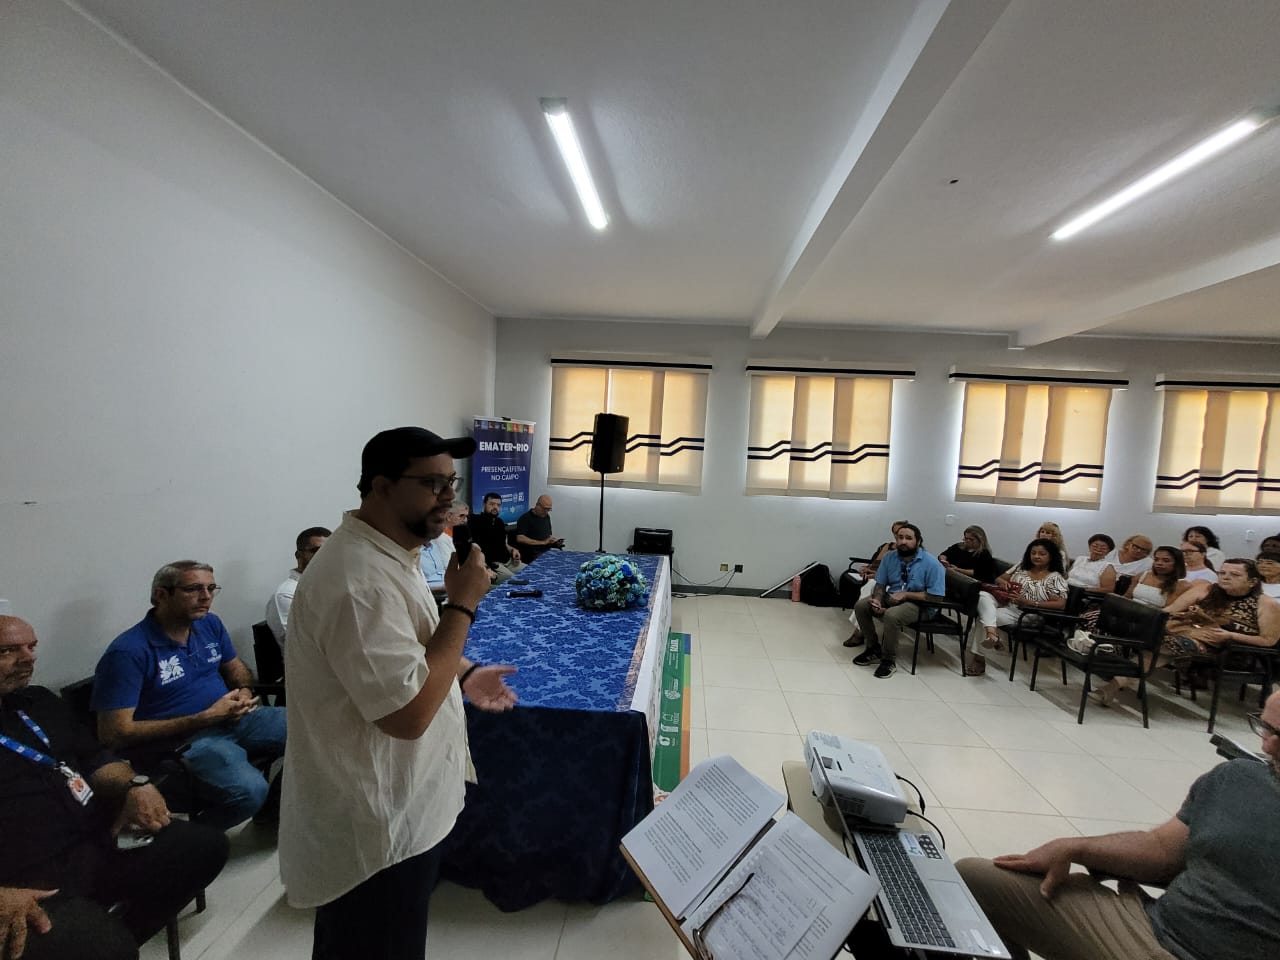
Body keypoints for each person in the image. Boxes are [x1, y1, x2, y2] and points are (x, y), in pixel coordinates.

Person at [279, 426, 518, 960]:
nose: (448, 497)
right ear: (381, 486)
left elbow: (408, 655)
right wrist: (463, 605)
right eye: (432, 484)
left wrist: (463, 672)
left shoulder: (390, 553)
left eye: (451, 483)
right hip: (376, 820)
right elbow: (407, 715)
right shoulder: (357, 580)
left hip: (404, 803)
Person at [955, 687, 1280, 960]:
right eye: (1265, 728)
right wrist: (1074, 848)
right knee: (972, 881)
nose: (1267, 746)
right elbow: (1162, 848)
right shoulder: (1235, 778)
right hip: (1148, 928)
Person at [1, 616, 229, 960]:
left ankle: (123, 934)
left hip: (95, 840)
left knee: (204, 847)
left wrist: (134, 785)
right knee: (104, 948)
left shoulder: (38, 701)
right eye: (8, 651)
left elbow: (95, 758)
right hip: (26, 882)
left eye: (31, 647)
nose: (28, 658)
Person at [91, 562, 287, 830]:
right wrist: (203, 718)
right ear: (161, 595)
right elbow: (114, 733)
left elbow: (237, 669)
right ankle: (190, 839)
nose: (206, 597)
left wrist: (244, 692)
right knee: (249, 791)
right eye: (193, 589)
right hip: (186, 741)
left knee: (322, 731)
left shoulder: (209, 624)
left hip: (235, 719)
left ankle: (273, 812)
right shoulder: (128, 652)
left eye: (211, 588)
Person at [1095, 558, 1280, 705]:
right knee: (1153, 637)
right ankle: (1114, 681)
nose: (1225, 577)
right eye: (1222, 573)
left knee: (1161, 644)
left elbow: (1269, 640)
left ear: (1252, 581)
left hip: (1230, 650)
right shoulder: (1207, 589)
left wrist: (1230, 635)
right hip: (1190, 634)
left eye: (1235, 575)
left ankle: (1114, 680)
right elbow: (1170, 610)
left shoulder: (1266, 603)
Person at [850, 523, 945, 679]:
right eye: (900, 537)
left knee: (892, 615)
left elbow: (936, 597)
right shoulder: (890, 557)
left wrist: (907, 595)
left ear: (918, 541)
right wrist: (877, 600)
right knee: (861, 606)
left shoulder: (931, 563)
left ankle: (888, 660)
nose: (903, 542)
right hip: (892, 596)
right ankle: (873, 648)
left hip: (921, 604)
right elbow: (880, 584)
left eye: (908, 538)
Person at [965, 538, 1069, 675]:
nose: (1036, 556)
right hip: (1008, 603)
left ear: (1051, 556)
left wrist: (1028, 602)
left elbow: (1060, 604)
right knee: (982, 595)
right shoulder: (1022, 568)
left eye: (1042, 554)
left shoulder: (1055, 577)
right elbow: (999, 578)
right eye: (1033, 553)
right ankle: (993, 634)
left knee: (984, 617)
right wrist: (1004, 584)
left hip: (1028, 613)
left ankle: (979, 659)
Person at [844, 520, 911, 648]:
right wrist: (867, 568)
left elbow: (901, 574)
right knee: (869, 586)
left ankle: (859, 632)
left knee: (870, 586)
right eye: (895, 532)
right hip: (879, 578)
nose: (897, 534)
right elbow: (876, 563)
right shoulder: (888, 546)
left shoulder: (908, 551)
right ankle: (861, 630)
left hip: (895, 585)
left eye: (900, 531)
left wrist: (877, 575)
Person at [265, 526, 331, 649]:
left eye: (330, 550)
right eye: (317, 551)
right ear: (299, 555)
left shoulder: (331, 586)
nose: (325, 556)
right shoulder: (287, 594)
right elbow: (301, 645)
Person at [468, 492, 524, 583]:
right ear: (484, 505)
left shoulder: (499, 522)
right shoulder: (474, 521)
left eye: (498, 505)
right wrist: (486, 567)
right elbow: (472, 548)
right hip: (493, 564)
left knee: (531, 571)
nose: (495, 507)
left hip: (508, 561)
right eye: (492, 504)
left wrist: (513, 550)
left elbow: (503, 543)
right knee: (515, 581)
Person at [515, 494, 565, 563]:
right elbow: (520, 538)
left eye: (549, 509)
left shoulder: (546, 517)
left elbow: (547, 536)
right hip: (532, 554)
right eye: (545, 509)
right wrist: (543, 542)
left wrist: (554, 542)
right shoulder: (525, 518)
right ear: (537, 505)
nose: (546, 512)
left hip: (545, 551)